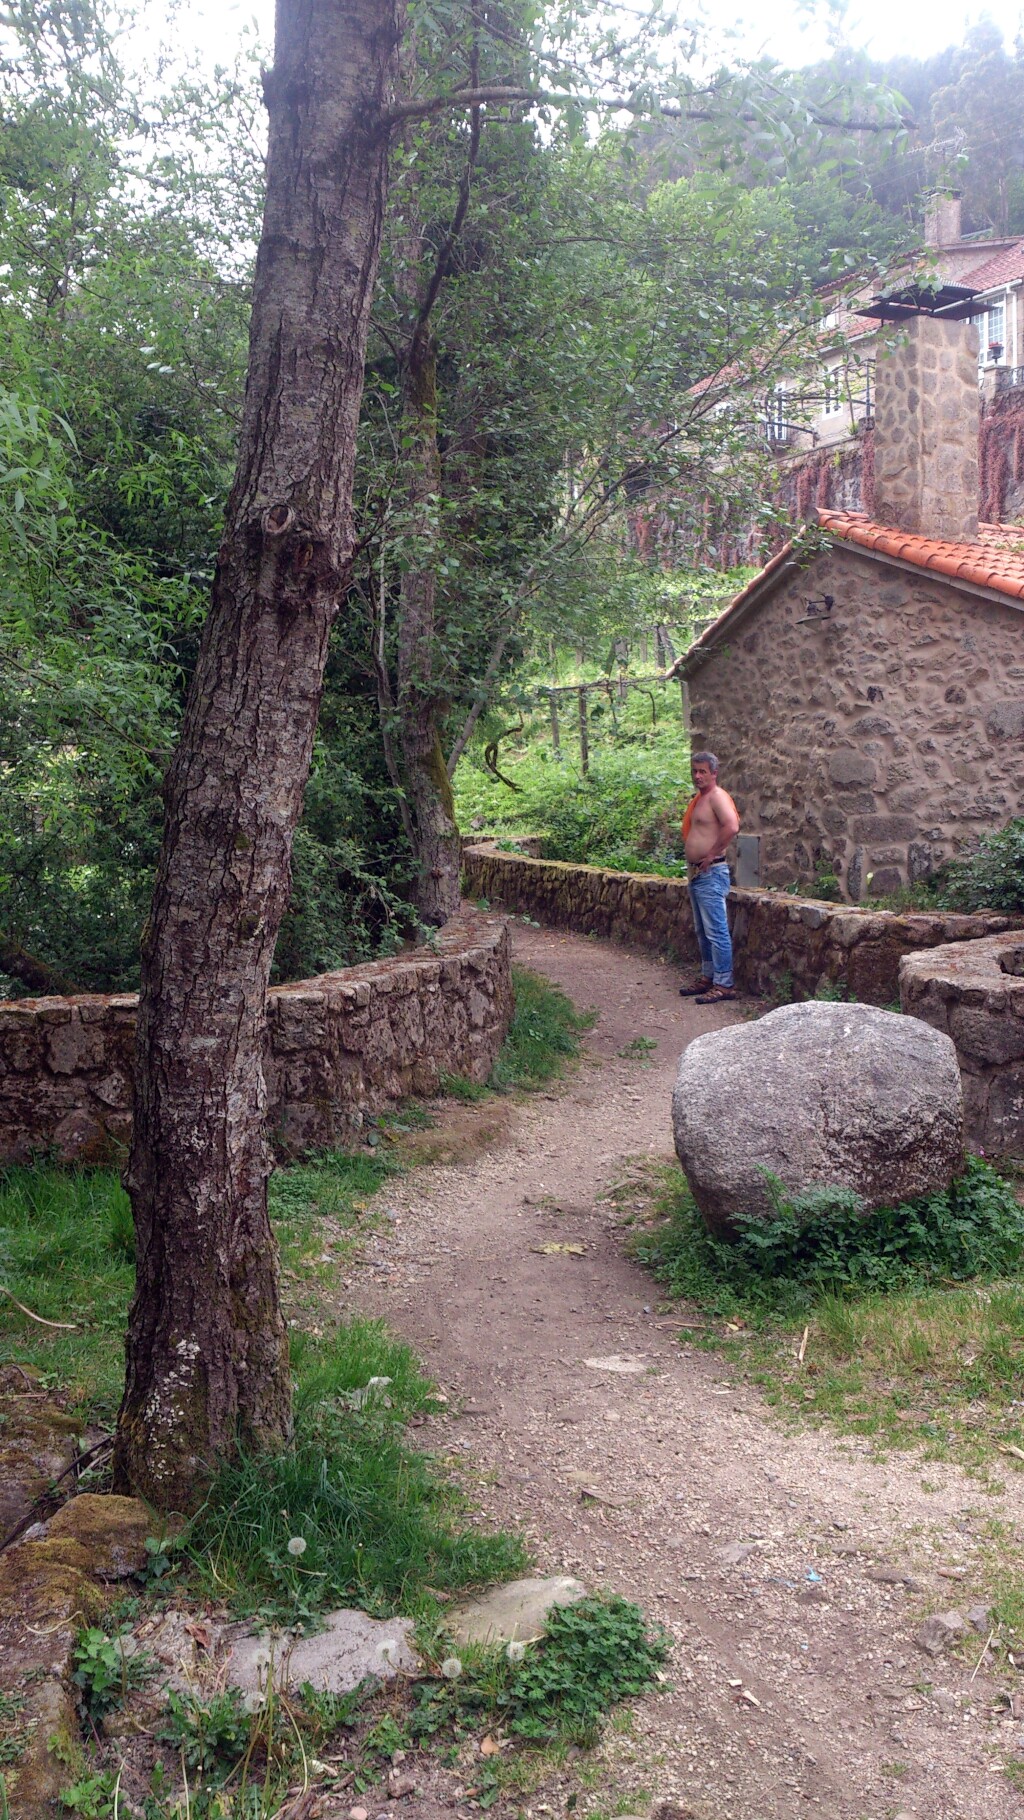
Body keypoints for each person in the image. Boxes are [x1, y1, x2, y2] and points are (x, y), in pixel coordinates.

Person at [678, 752, 739, 1004]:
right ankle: (708, 977)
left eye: (703, 771)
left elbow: (732, 826)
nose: (697, 776)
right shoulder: (700, 799)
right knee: (703, 931)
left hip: (712, 872)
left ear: (714, 773)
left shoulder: (717, 797)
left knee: (716, 931)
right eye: (694, 771)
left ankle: (724, 984)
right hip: (697, 874)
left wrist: (712, 853)